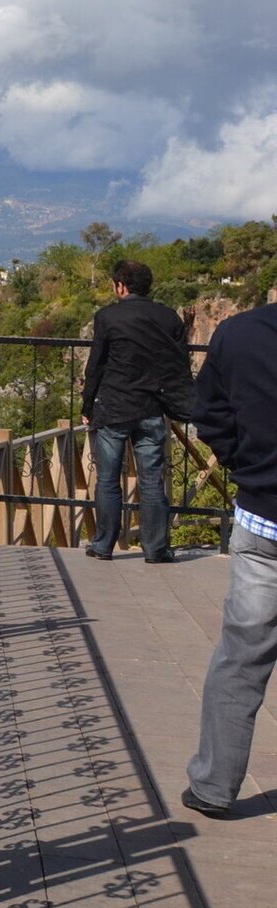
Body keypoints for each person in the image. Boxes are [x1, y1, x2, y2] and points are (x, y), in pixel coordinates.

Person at [183, 297, 277, 819]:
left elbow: (210, 416)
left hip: (266, 526)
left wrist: (248, 468)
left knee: (241, 656)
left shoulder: (240, 334)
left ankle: (215, 786)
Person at [80, 259, 193, 561]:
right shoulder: (169, 318)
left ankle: (103, 545)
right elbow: (180, 365)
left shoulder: (108, 317)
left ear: (121, 285)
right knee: (152, 482)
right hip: (153, 407)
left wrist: (87, 404)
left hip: (115, 407)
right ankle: (156, 548)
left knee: (107, 479)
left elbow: (96, 366)